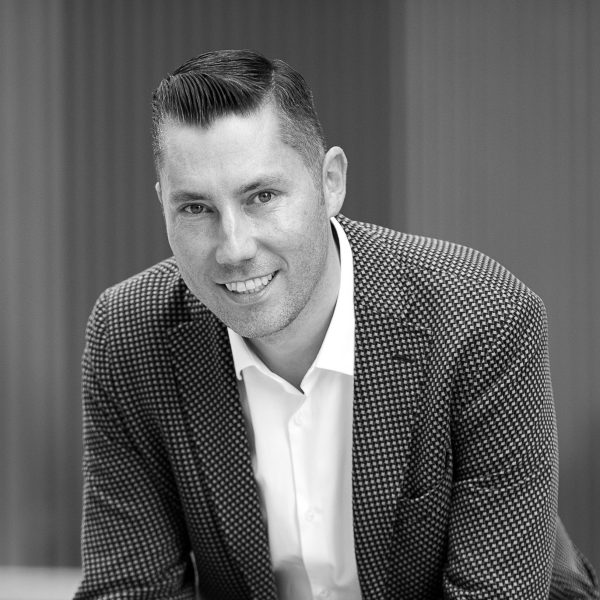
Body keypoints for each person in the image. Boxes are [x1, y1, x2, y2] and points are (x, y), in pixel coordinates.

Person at [75, 49, 599, 600]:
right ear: (163, 205)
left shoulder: (482, 317)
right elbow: (128, 590)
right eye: (196, 208)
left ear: (331, 182)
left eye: (262, 196)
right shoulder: (129, 335)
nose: (234, 248)